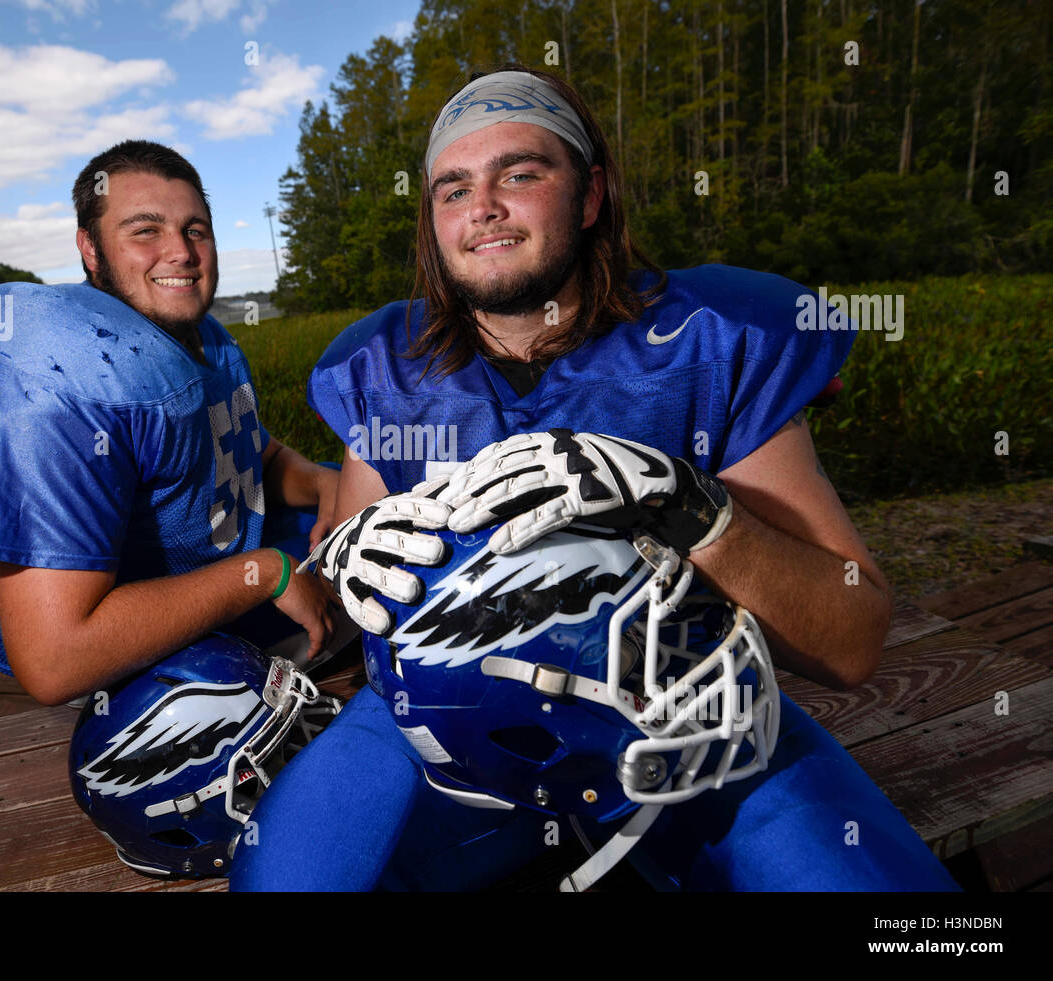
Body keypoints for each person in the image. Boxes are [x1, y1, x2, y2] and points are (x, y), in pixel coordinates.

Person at [230, 67, 958, 891]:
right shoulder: (386, 367)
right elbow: (345, 586)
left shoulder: (707, 340)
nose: (484, 208)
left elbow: (852, 636)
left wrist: (690, 507)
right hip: (437, 722)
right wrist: (339, 560)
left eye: (521, 173)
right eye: (453, 188)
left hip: (679, 706)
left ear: (589, 194)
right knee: (289, 879)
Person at [0, 140, 339, 706]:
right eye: (145, 230)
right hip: (127, 664)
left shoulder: (200, 333)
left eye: (196, 229)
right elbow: (55, 657)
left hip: (228, 579)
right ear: (90, 249)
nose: (181, 252)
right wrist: (265, 573)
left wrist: (320, 480)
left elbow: (251, 454)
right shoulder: (62, 366)